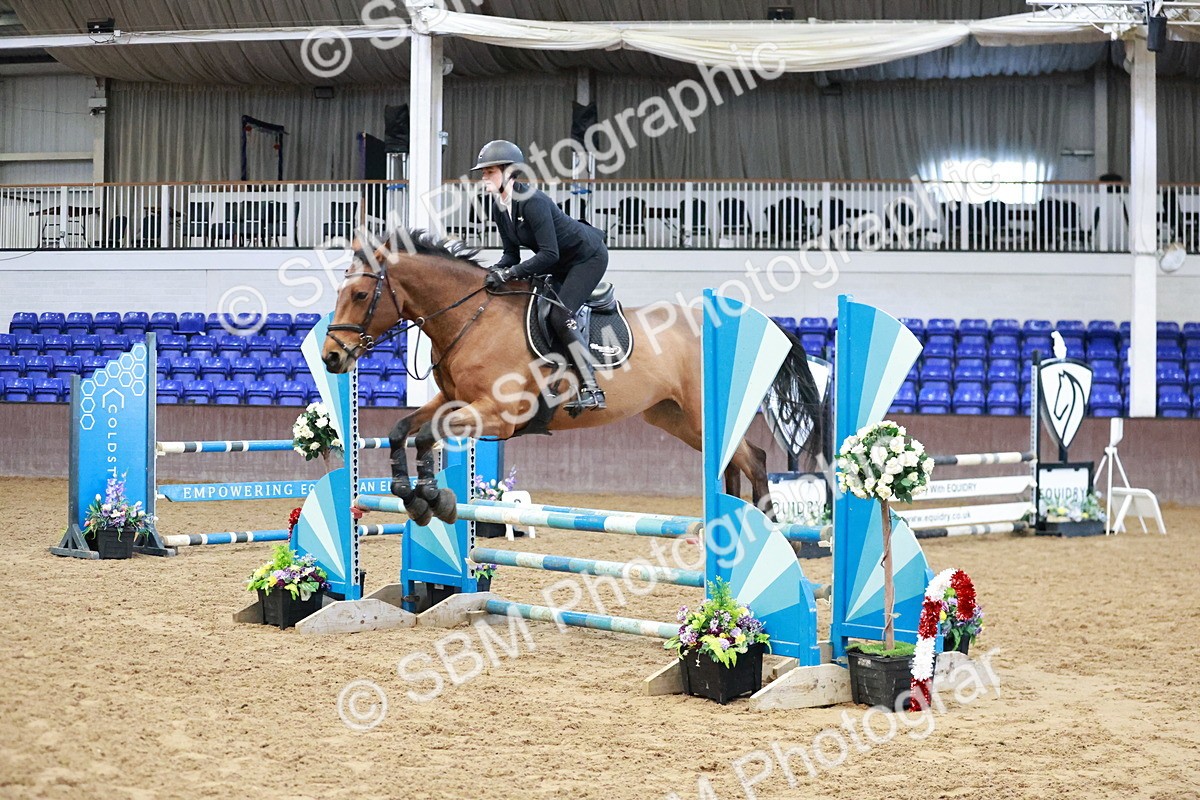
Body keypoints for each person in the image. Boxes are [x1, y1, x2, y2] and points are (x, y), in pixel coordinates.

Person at [472, 139, 609, 412]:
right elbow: (511, 254)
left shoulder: (532, 202)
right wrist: (494, 271)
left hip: (586, 258)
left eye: (489, 172)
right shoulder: (499, 206)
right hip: (559, 262)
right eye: (483, 172)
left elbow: (549, 254)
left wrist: (511, 273)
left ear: (509, 173)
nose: (484, 177)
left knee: (559, 315)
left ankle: (593, 389)